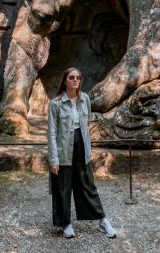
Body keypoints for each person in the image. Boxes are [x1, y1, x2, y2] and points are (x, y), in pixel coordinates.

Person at [47, 67, 117, 238]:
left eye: (78, 77)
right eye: (72, 77)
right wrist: (53, 159)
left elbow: (86, 125)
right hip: (64, 150)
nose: (75, 80)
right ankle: (65, 223)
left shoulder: (85, 99)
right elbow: (51, 133)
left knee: (88, 185)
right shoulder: (55, 104)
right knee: (62, 188)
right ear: (65, 81)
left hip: (81, 148)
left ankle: (103, 220)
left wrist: (88, 150)